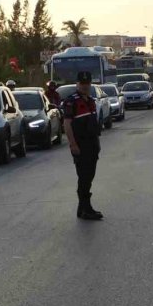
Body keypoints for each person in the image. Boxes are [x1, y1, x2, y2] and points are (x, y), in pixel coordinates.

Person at [61, 71, 103, 220]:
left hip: (92, 144)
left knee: (89, 176)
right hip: (81, 145)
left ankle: (82, 208)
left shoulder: (90, 100)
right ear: (77, 84)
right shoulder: (71, 101)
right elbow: (67, 124)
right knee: (84, 177)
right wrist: (73, 145)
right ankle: (86, 209)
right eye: (82, 83)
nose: (85, 86)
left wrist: (97, 143)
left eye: (87, 83)